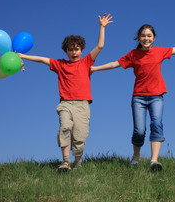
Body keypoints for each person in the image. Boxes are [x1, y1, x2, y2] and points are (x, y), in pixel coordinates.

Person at [91, 24, 175, 171]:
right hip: (139, 98)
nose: (146, 38)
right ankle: (136, 155)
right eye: (143, 36)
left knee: (157, 124)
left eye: (149, 36)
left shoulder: (160, 51)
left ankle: (154, 161)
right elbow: (115, 63)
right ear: (139, 38)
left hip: (156, 96)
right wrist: (95, 69)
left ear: (154, 38)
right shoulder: (133, 54)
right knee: (139, 130)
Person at [18, 13, 113, 171]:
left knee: (79, 135)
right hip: (66, 103)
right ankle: (65, 162)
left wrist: (102, 27)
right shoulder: (60, 64)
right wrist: (23, 56)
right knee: (64, 128)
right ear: (66, 51)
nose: (74, 53)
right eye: (70, 50)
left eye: (76, 49)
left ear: (81, 50)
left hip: (83, 105)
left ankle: (77, 162)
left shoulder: (86, 62)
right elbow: (42, 59)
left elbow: (100, 46)